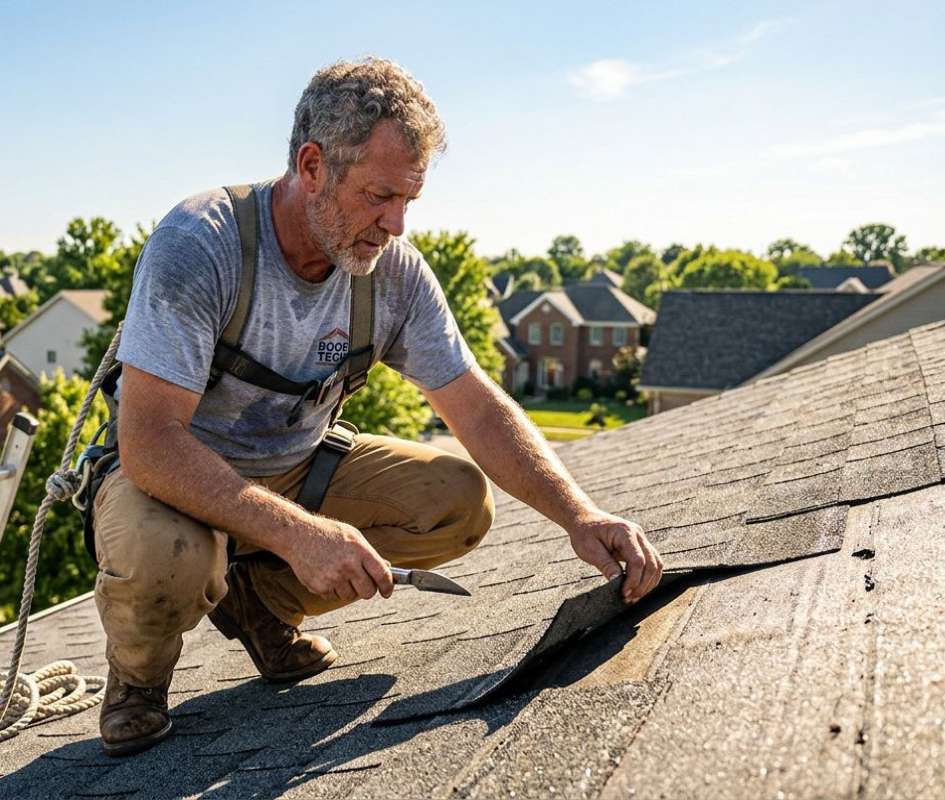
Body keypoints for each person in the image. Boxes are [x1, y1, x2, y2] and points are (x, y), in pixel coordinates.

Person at [93, 56, 663, 757]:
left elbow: (475, 407)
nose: (394, 224)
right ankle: (138, 681)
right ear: (312, 166)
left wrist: (581, 514)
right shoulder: (201, 243)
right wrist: (298, 535)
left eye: (408, 201)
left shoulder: (392, 273)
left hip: (297, 469)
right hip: (173, 480)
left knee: (455, 501)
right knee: (168, 555)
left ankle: (260, 603)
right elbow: (149, 443)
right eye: (378, 195)